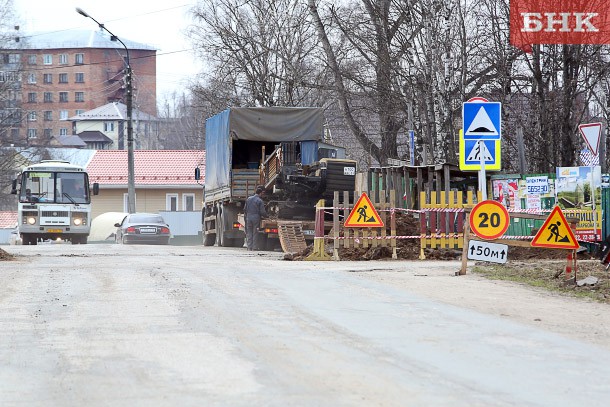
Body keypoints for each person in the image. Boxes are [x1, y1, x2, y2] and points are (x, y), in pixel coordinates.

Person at [244, 186, 268, 251]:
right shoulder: (260, 201)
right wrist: (267, 216)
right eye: (262, 194)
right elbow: (262, 212)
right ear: (260, 193)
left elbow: (245, 209)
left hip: (248, 217)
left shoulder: (248, 199)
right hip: (256, 218)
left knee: (249, 232)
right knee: (255, 232)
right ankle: (254, 247)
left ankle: (249, 247)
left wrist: (247, 216)